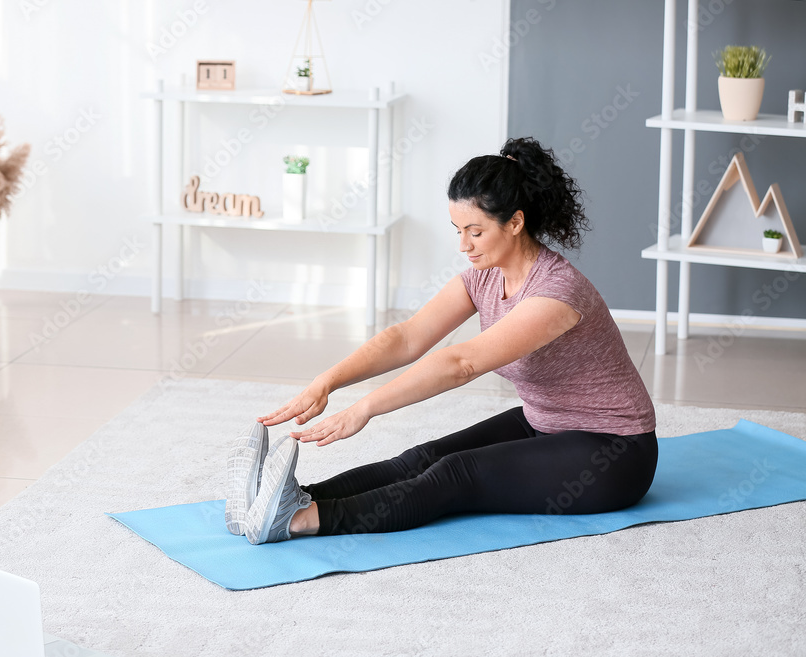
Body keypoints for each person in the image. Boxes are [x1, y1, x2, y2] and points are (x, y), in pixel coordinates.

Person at [224, 137, 658, 546]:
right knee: (421, 458)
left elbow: (462, 364)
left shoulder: (556, 293)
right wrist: (329, 381)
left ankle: (300, 521)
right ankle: (286, 499)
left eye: (475, 231)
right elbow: (408, 336)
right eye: (457, 230)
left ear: (515, 223)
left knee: (457, 473)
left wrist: (364, 409)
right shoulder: (484, 276)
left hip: (614, 452)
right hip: (545, 421)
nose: (464, 245)